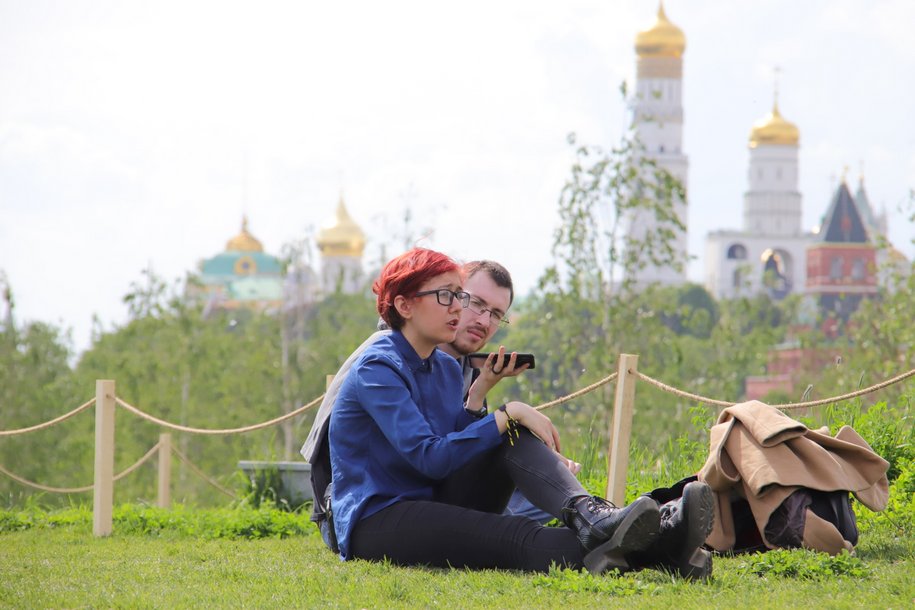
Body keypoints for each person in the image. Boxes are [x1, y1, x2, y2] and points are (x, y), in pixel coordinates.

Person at [325, 247, 662, 574]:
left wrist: (487, 406)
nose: (457, 307)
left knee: (509, 433)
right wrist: (506, 412)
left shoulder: (442, 366)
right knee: (516, 537)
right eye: (446, 296)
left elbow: (454, 441)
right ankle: (661, 543)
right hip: (377, 517)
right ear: (405, 305)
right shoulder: (377, 367)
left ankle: (592, 516)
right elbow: (430, 457)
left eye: (460, 295)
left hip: (433, 498)